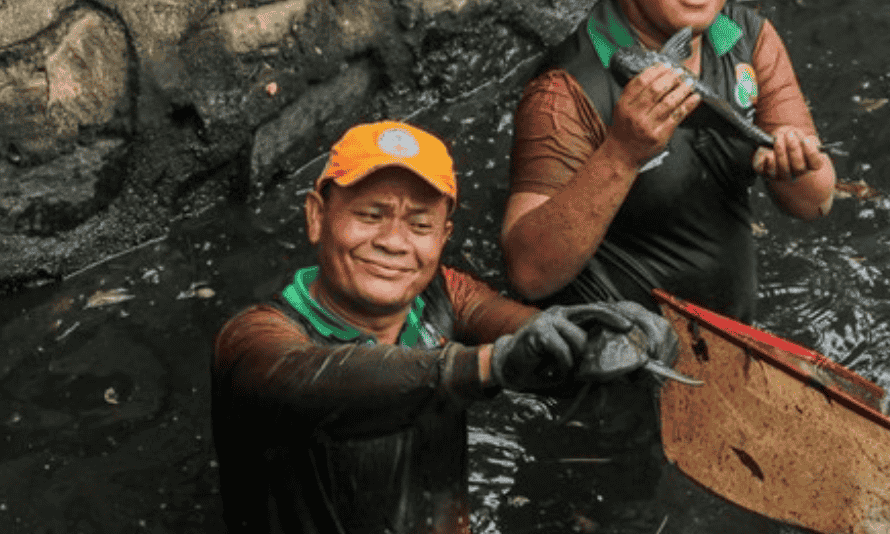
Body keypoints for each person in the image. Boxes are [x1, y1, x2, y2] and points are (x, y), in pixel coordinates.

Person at [210, 121, 674, 534]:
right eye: (370, 215)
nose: (394, 242)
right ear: (317, 216)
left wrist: (611, 333)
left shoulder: (443, 291)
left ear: (443, 237)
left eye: (419, 224)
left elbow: (533, 333)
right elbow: (310, 379)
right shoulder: (253, 340)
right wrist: (492, 364)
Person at [502, 0, 836, 321]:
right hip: (620, 359)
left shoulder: (748, 40)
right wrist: (622, 152)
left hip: (731, 343)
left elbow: (816, 203)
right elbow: (528, 273)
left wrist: (796, 166)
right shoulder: (565, 89)